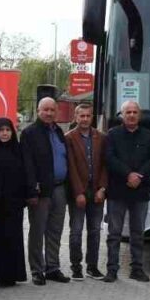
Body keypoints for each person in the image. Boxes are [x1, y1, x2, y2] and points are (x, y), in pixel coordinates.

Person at [103, 100, 150, 284]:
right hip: (117, 191)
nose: (132, 115)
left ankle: (137, 269)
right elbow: (109, 158)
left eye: (135, 112)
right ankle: (112, 269)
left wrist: (139, 176)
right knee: (114, 233)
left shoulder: (148, 136)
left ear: (139, 115)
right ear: (122, 115)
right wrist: (128, 174)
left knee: (137, 233)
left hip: (140, 191)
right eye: (128, 112)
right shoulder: (112, 135)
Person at [21, 97, 70, 285]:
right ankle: (36, 269)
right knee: (37, 230)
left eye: (52, 110)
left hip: (60, 188)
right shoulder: (29, 133)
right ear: (38, 110)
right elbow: (27, 163)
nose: (49, 113)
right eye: (45, 109)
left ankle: (52, 267)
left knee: (55, 230)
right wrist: (32, 189)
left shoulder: (58, 131)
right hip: (41, 190)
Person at [64, 102, 107, 280]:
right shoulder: (68, 138)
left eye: (88, 116)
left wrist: (102, 188)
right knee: (76, 231)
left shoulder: (102, 137)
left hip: (96, 191)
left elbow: (106, 164)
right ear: (76, 117)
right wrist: (78, 192)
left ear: (92, 117)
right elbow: (71, 167)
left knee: (95, 231)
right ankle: (76, 266)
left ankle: (92, 266)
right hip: (78, 193)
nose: (85, 119)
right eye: (81, 116)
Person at [0, 118, 27, 287]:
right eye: (1, 130)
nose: (4, 133)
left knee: (12, 237)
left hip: (14, 202)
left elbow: (25, 173)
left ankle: (10, 274)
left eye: (8, 130)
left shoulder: (18, 150)